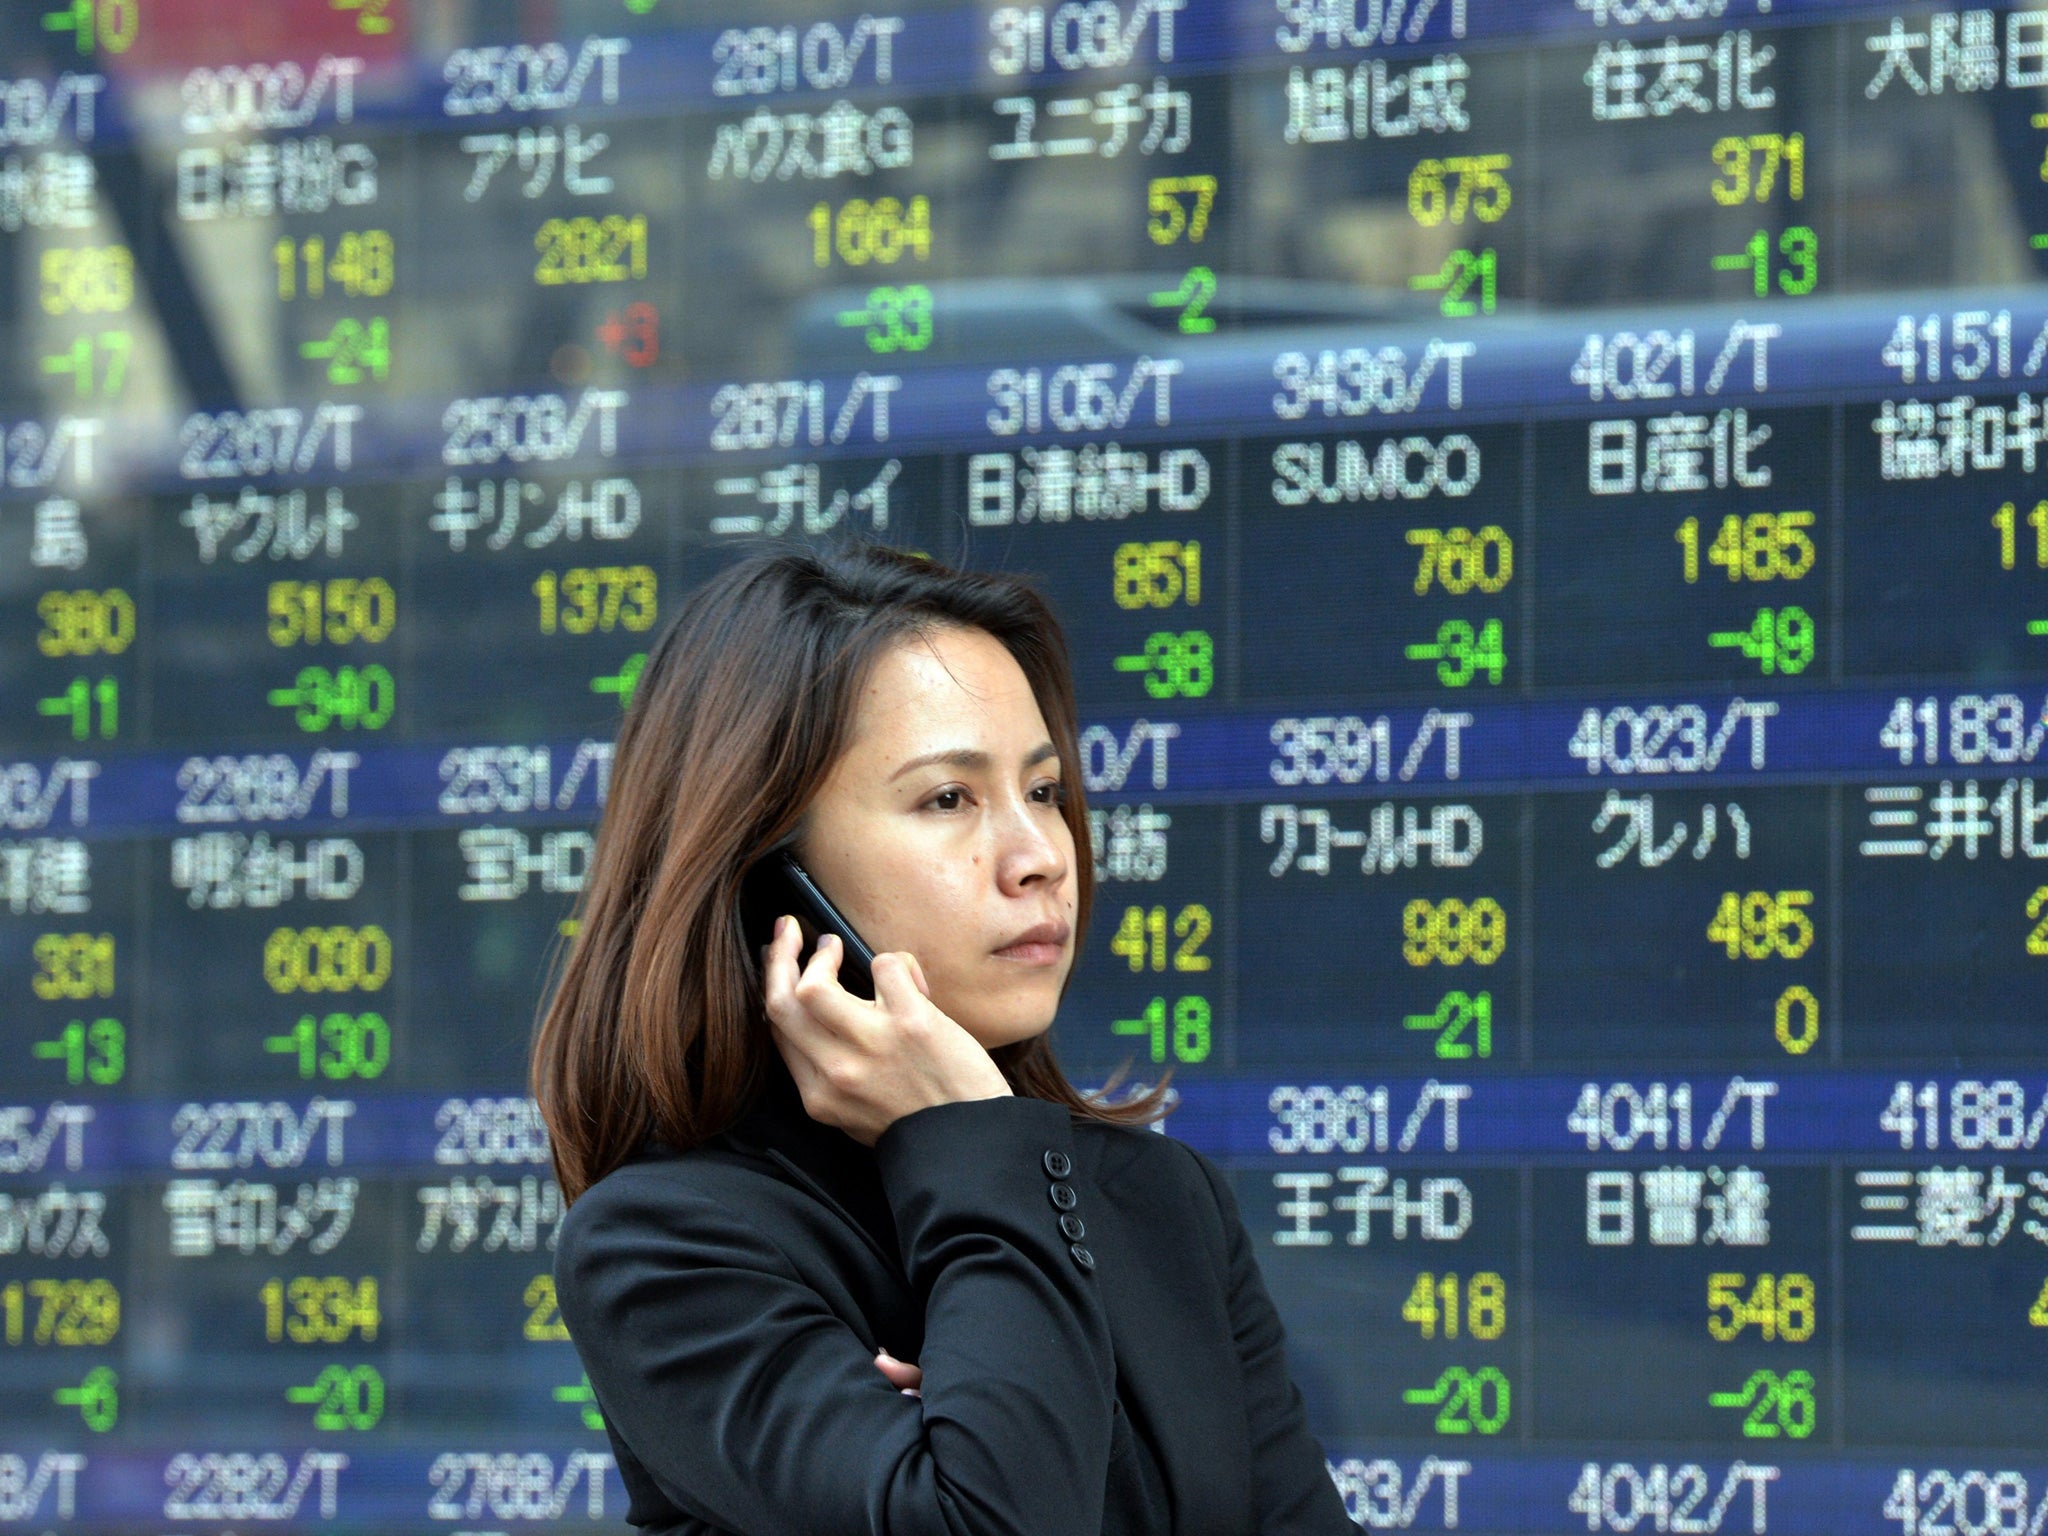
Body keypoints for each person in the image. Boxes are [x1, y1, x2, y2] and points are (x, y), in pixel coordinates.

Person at [534, 543, 1356, 1535]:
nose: (1039, 857)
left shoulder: (1158, 1201)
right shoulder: (668, 1248)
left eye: (1044, 791)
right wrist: (966, 1138)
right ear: (767, 872)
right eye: (947, 799)